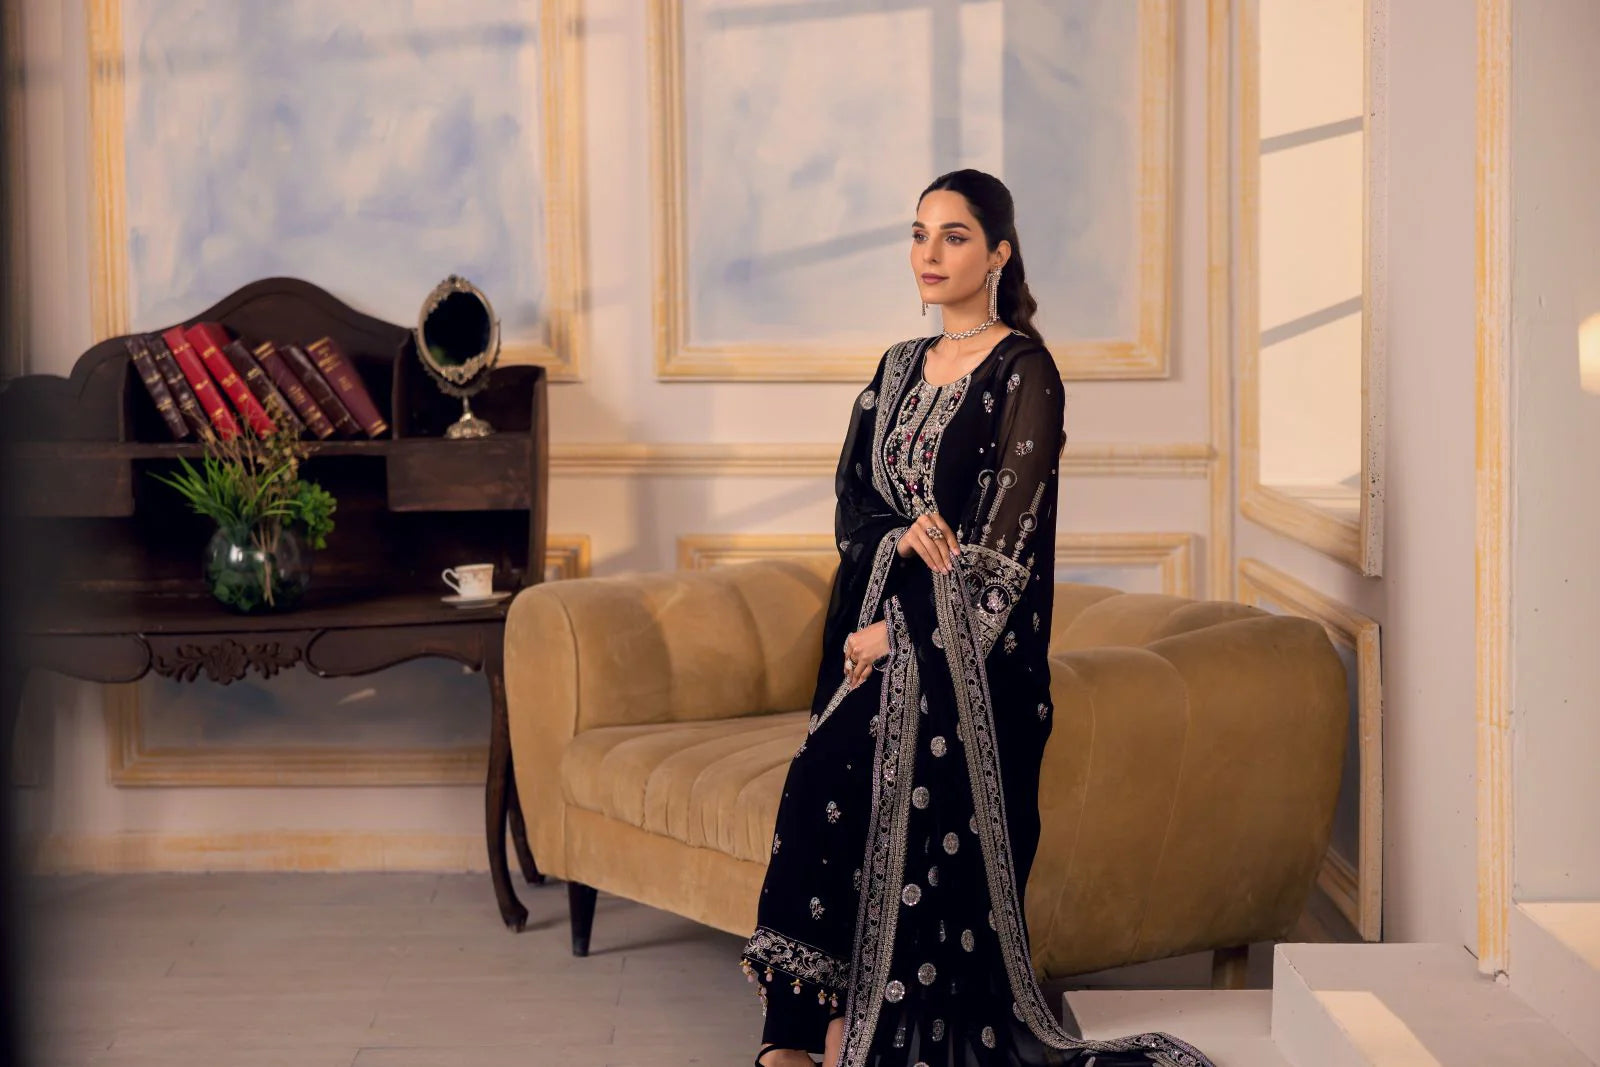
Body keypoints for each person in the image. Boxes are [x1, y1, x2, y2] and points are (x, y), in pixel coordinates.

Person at [741, 170, 1217, 1067]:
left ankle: (856, 1036)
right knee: (816, 791)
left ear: (997, 253)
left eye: (954, 236)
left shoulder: (1023, 372)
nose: (930, 254)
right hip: (874, 640)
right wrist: (897, 537)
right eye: (919, 234)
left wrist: (899, 637)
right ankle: (797, 1037)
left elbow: (1003, 556)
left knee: (847, 785)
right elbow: (854, 505)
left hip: (969, 663)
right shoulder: (895, 367)